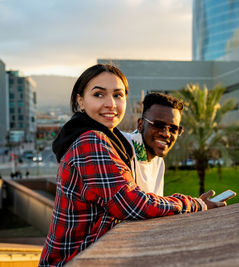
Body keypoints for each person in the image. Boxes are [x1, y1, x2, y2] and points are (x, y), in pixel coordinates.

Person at [39, 64, 225, 266]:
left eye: (118, 95)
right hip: (73, 261)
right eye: (99, 95)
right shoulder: (90, 141)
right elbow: (131, 203)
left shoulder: (111, 142)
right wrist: (194, 204)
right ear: (80, 100)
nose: (111, 104)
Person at [122, 92, 184, 196]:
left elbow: (156, 205)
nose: (166, 134)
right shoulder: (123, 145)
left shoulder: (159, 162)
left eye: (173, 129)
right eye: (158, 125)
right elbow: (136, 204)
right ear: (140, 124)